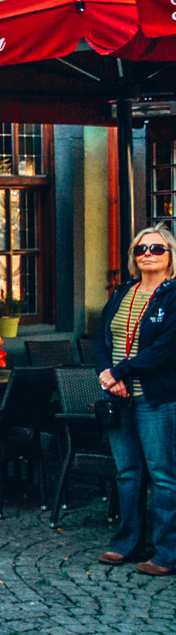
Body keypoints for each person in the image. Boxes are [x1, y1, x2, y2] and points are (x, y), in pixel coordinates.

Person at [93, 225, 176, 576]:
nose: (148, 254)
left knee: (163, 476)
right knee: (127, 472)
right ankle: (127, 543)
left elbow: (166, 348)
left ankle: (167, 553)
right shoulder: (123, 291)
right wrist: (107, 375)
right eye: (142, 249)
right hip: (120, 397)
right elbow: (101, 337)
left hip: (155, 399)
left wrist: (121, 372)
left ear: (171, 256)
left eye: (158, 249)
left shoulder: (173, 295)